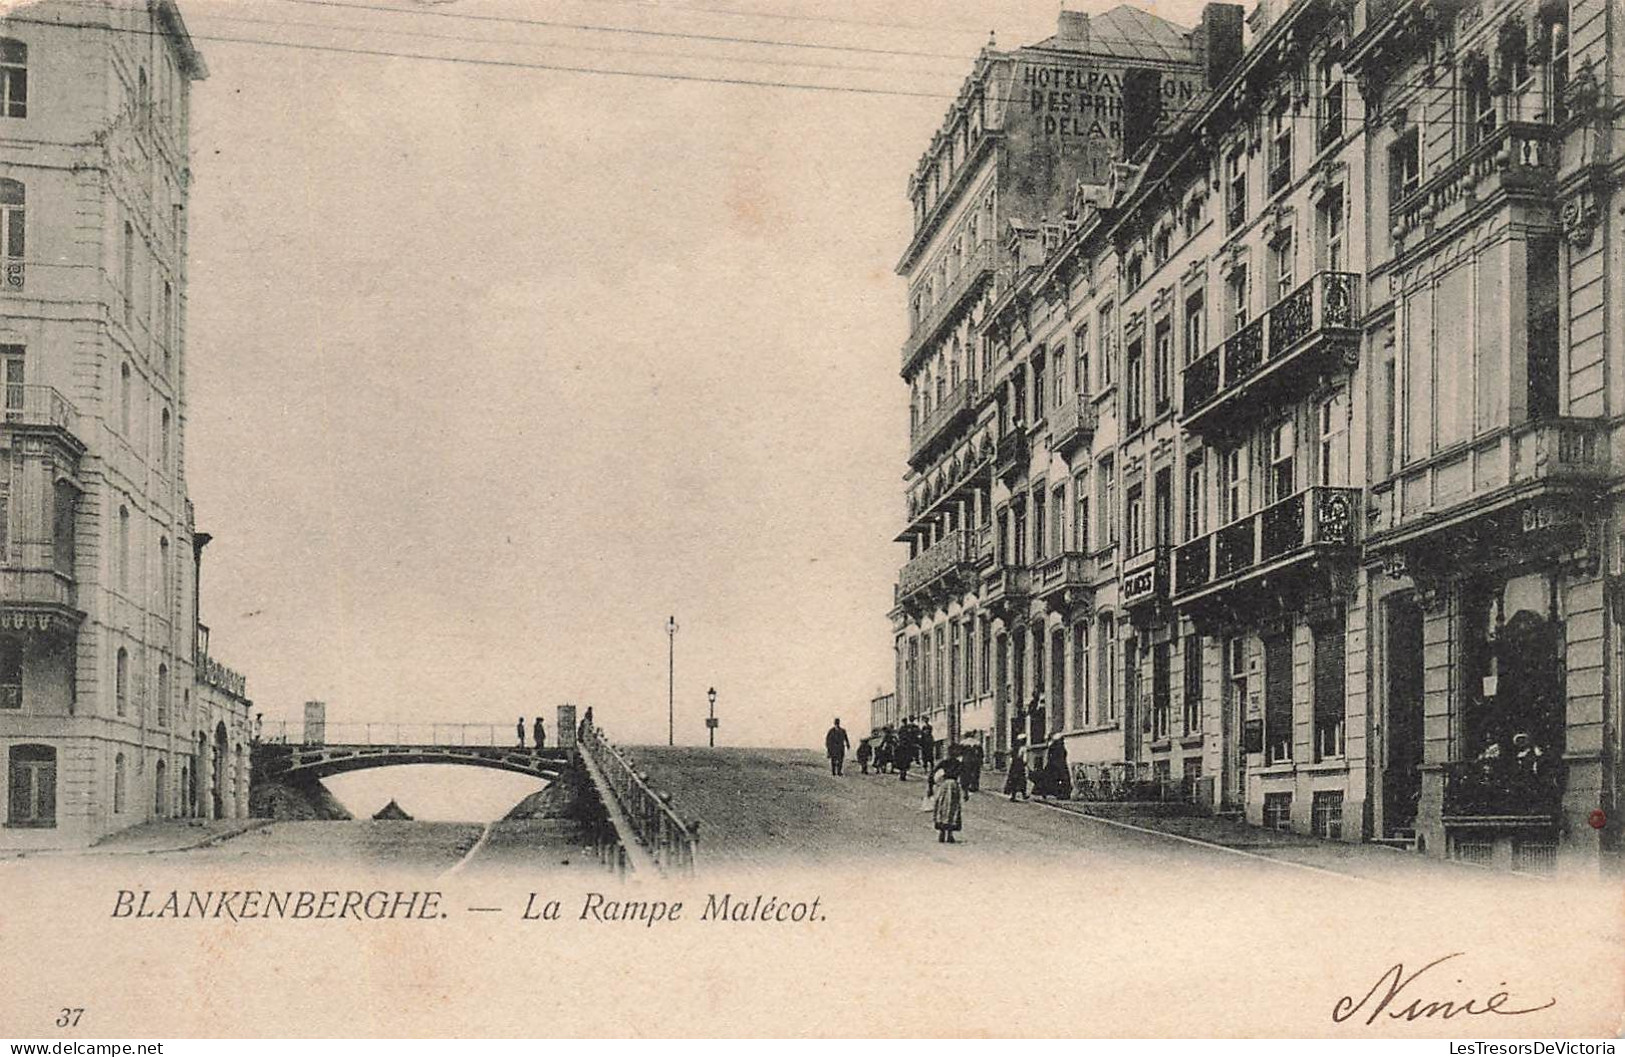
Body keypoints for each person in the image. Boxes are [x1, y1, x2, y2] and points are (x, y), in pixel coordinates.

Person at [931, 750, 963, 844]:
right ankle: (949, 834)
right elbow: (964, 777)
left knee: (942, 807)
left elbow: (933, 773)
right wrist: (965, 791)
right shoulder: (958, 763)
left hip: (943, 785)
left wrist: (930, 786)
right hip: (953, 786)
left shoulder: (944, 762)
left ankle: (942, 832)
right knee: (953, 808)